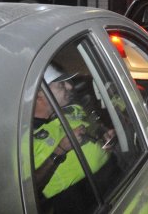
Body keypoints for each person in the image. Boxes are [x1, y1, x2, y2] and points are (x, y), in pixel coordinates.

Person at [33, 64, 117, 213]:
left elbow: (94, 128)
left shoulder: (71, 109)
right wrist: (60, 150)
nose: (69, 87)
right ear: (39, 95)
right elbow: (30, 187)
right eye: (60, 84)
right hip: (79, 203)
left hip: (114, 181)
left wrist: (102, 136)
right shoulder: (25, 138)